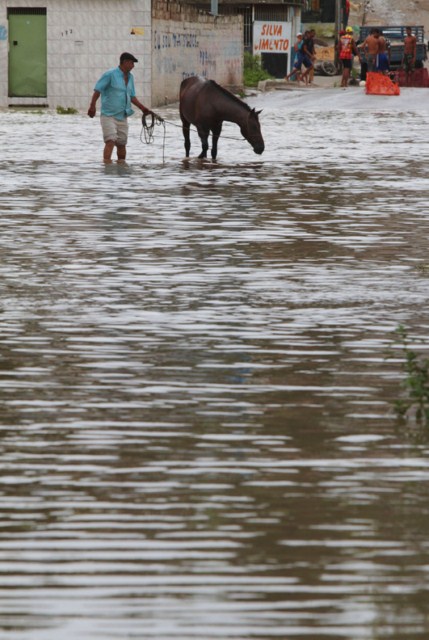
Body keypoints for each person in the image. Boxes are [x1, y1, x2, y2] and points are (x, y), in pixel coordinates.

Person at [88, 52, 155, 162]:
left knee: (122, 144)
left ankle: (121, 168)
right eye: (132, 63)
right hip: (108, 115)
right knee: (110, 141)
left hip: (122, 116)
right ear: (125, 62)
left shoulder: (131, 78)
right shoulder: (110, 74)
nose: (133, 66)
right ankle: (107, 167)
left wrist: (143, 109)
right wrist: (92, 106)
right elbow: (97, 90)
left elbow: (132, 96)